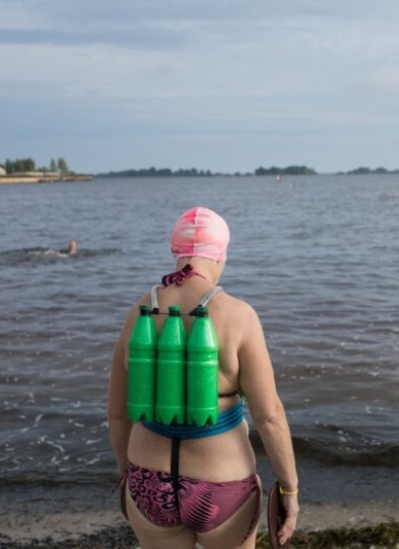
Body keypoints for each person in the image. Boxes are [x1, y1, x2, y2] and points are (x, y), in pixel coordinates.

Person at [107, 206, 299, 548]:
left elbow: (118, 413)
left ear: (175, 252)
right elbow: (269, 416)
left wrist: (127, 474)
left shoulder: (138, 312)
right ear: (220, 255)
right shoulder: (239, 315)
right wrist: (289, 489)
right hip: (222, 486)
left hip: (147, 481)